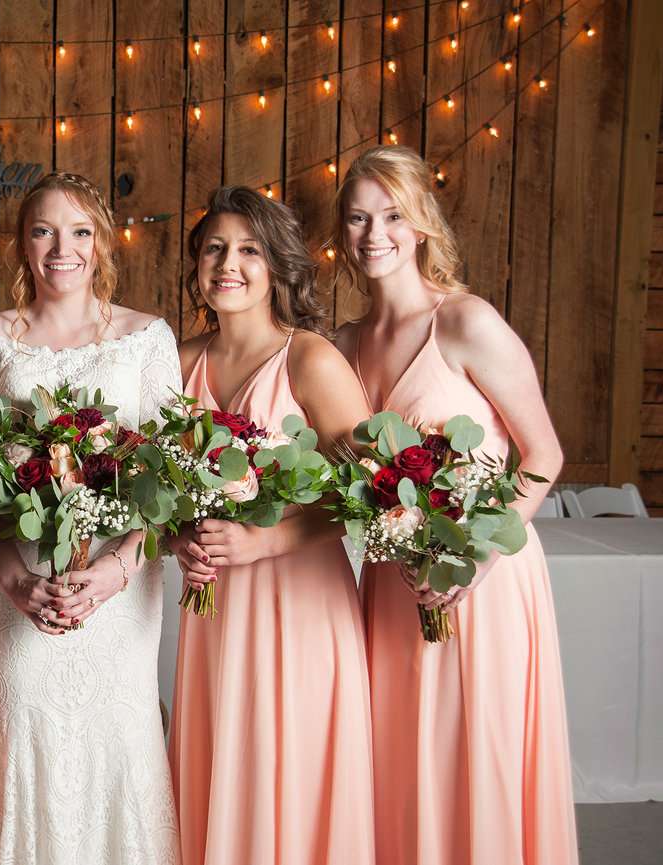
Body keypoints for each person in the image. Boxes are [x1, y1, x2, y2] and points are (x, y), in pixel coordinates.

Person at [331, 145, 577, 865]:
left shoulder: (467, 323)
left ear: (421, 225)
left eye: (392, 215)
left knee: (477, 752)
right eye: (357, 218)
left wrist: (474, 557)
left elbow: (545, 454)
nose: (375, 234)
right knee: (400, 760)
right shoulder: (344, 345)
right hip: (391, 585)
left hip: (484, 575)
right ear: (342, 233)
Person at [0, 172, 182, 864]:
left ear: (102, 242)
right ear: (21, 245)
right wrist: (17, 580)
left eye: (79, 230)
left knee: (119, 731)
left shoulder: (146, 338)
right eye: (44, 230)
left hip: (118, 592)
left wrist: (115, 569)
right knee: (22, 726)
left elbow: (170, 477)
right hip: (17, 588)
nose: (62, 248)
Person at [168, 186, 375, 865]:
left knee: (288, 762)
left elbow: (365, 494)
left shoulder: (311, 360)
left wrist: (268, 538)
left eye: (249, 250)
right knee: (223, 758)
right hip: (215, 608)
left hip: (300, 604)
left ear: (279, 265)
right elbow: (159, 491)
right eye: (216, 248)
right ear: (197, 262)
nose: (229, 264)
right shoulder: (177, 364)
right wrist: (178, 538)